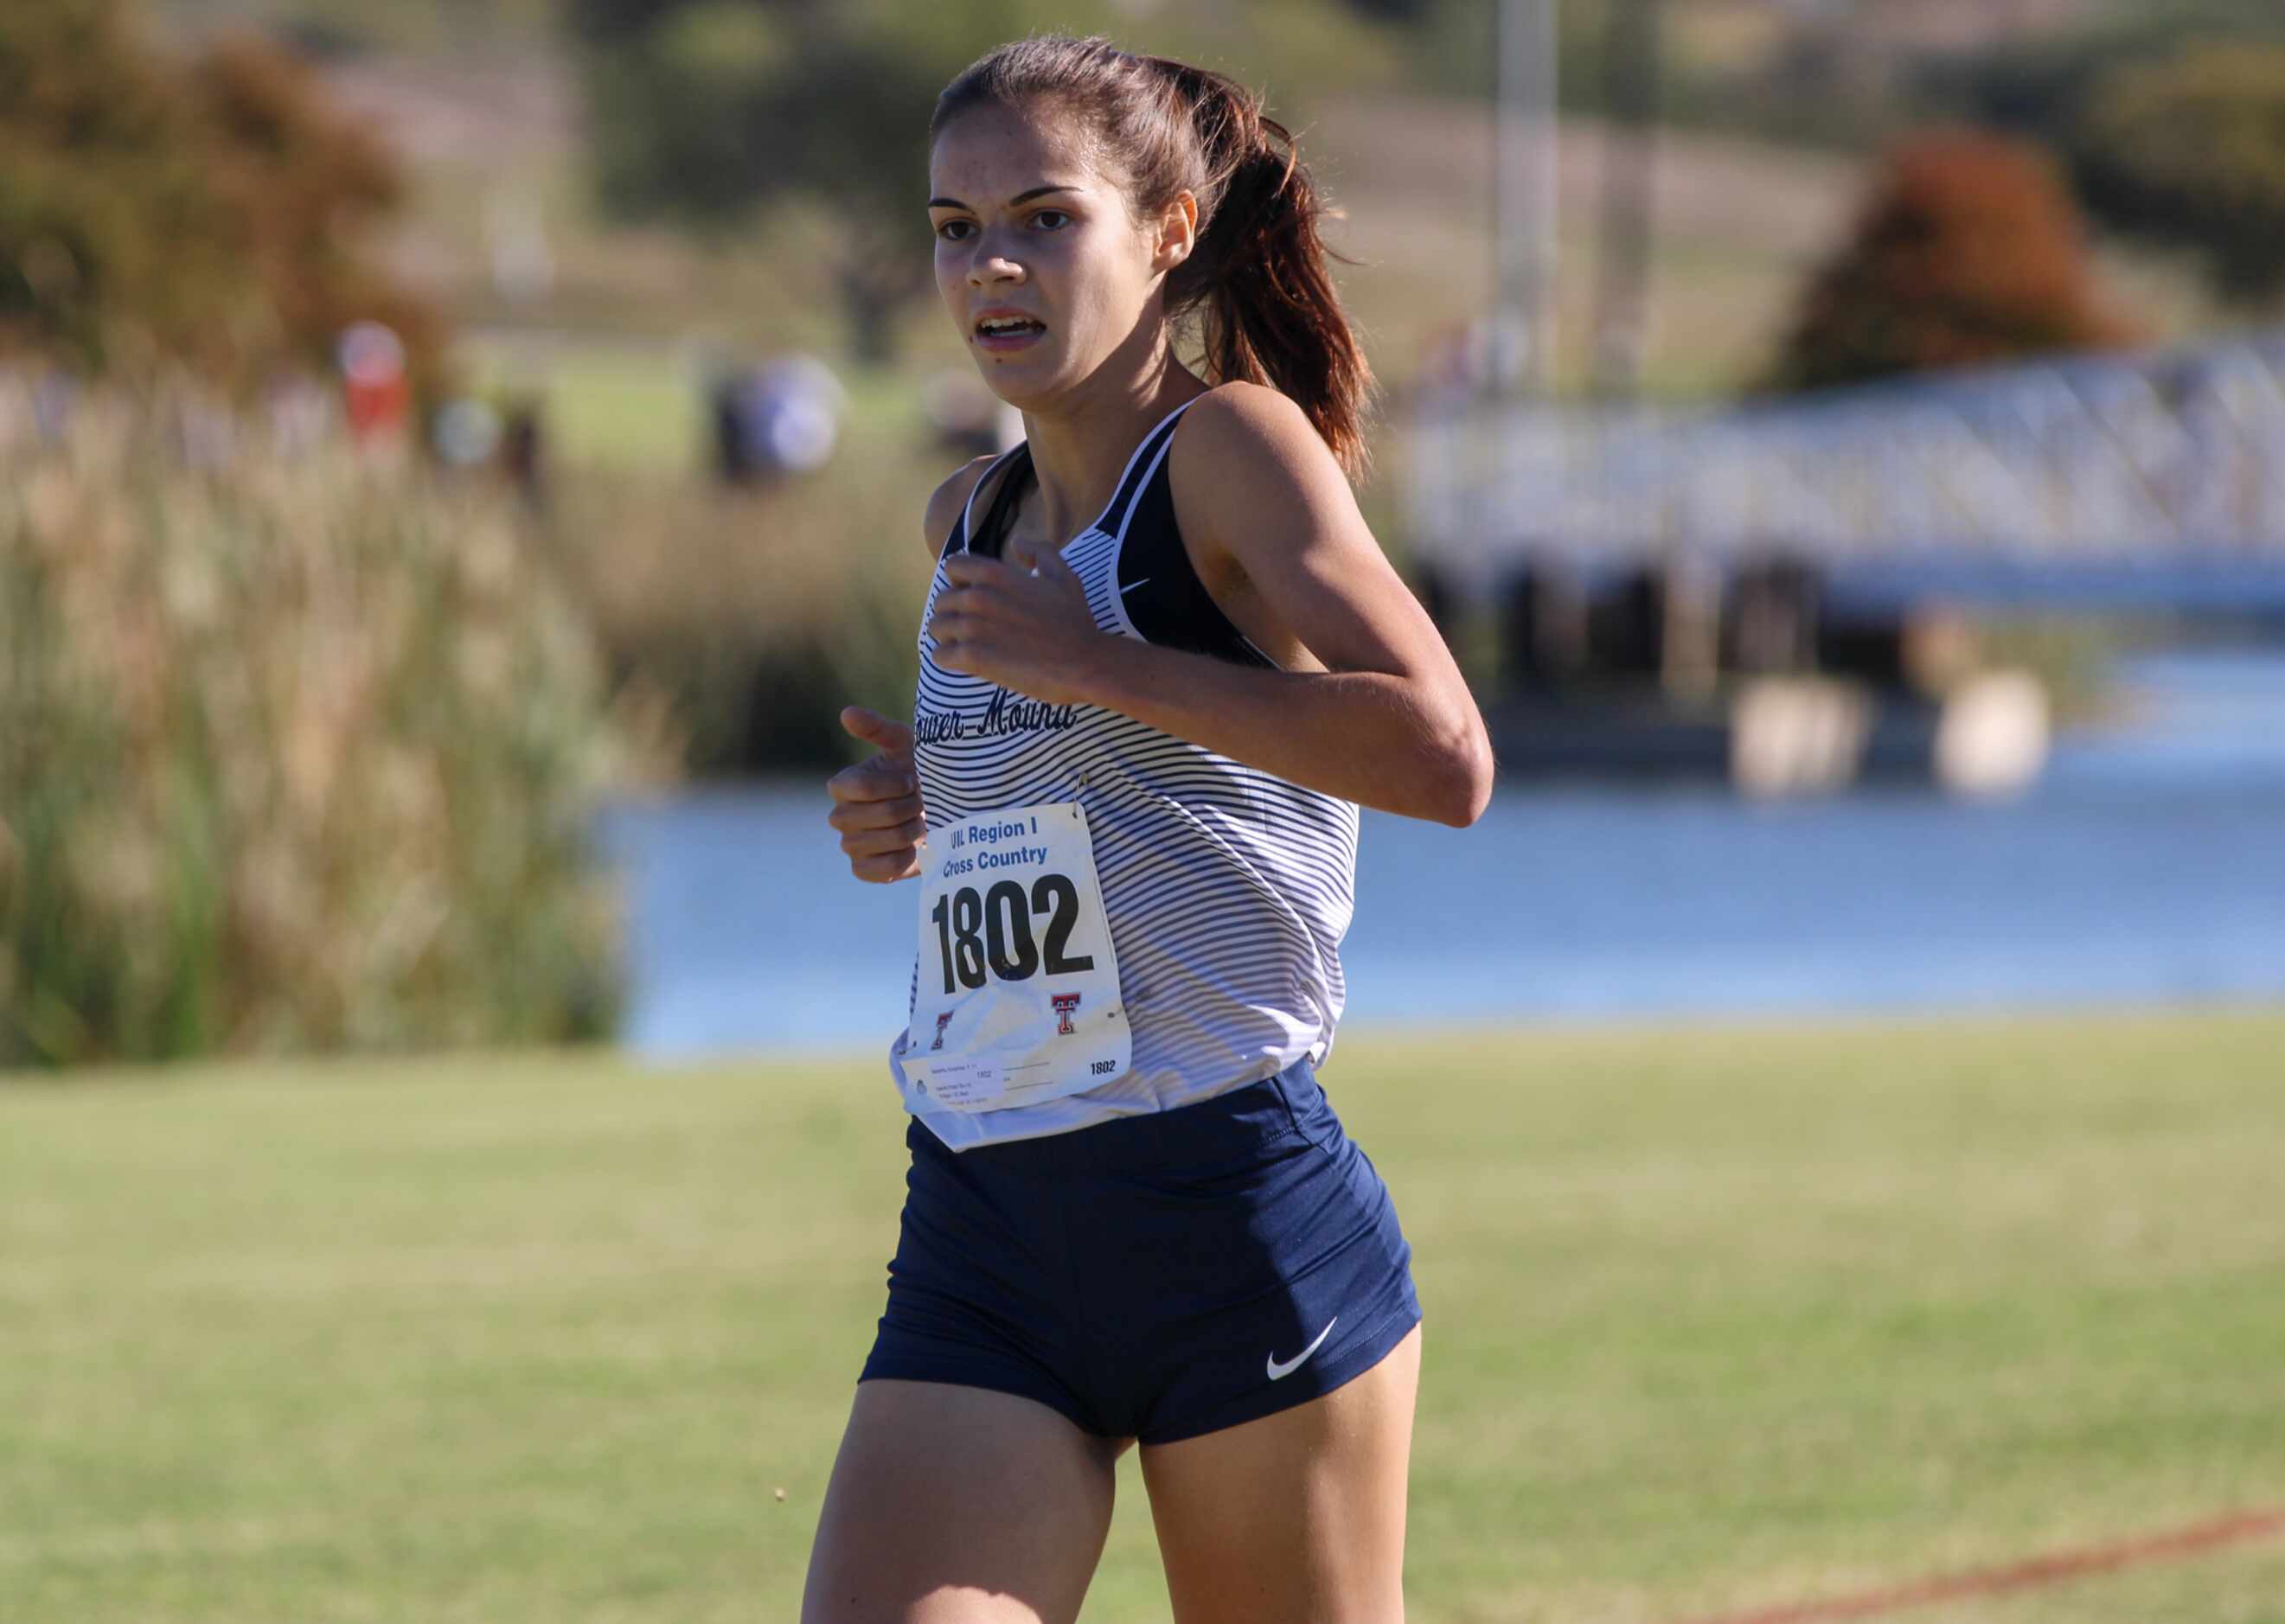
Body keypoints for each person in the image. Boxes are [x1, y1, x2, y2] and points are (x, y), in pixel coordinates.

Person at [812, 35, 1492, 1624]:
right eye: (951, 224)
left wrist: (1093, 664)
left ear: (1168, 231)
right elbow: (1099, 777)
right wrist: (928, 794)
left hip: (1225, 1217)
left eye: (1045, 218)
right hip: (981, 1211)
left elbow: (1442, 752)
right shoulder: (966, 517)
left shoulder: (1233, 455)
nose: (988, 262)